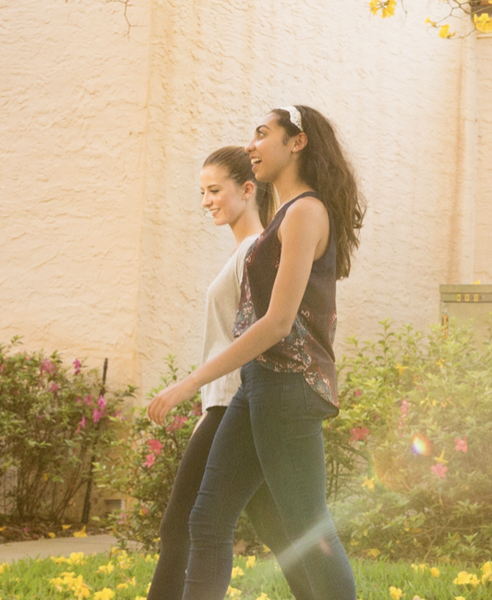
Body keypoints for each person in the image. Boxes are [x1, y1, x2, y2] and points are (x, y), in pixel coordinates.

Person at [147, 105, 365, 600]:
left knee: (310, 529)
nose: (251, 145)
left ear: (297, 143)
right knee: (206, 519)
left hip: (289, 388)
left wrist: (191, 382)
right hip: (257, 385)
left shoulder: (307, 211)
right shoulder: (282, 217)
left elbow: (278, 322)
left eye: (262, 134)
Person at [144, 146, 292, 600]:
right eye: (201, 192)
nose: (206, 200)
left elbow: (260, 336)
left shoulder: (254, 251)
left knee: (183, 526)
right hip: (227, 402)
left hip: (235, 401)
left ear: (248, 190)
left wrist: (192, 390)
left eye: (214, 190)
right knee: (279, 527)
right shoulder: (245, 252)